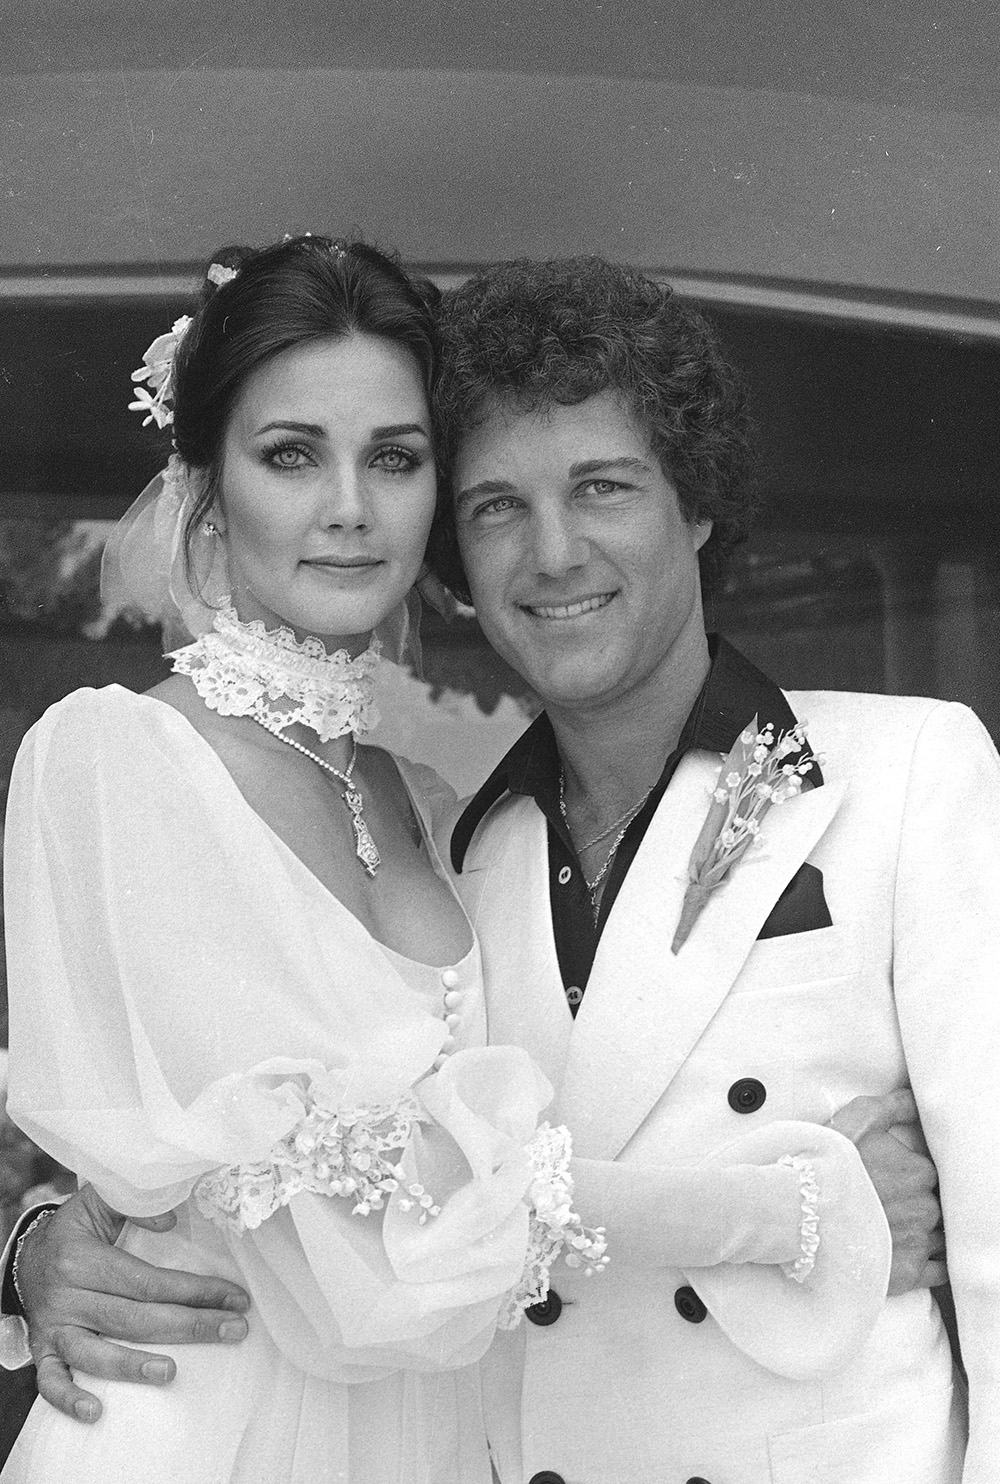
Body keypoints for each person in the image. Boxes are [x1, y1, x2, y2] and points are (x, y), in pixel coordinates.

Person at [0, 239, 899, 1484]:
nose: (350, 508)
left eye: (396, 458)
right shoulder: (120, 755)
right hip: (205, 1431)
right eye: (290, 454)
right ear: (206, 484)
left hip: (427, 1437)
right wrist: (799, 1213)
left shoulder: (428, 800)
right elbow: (350, 1212)